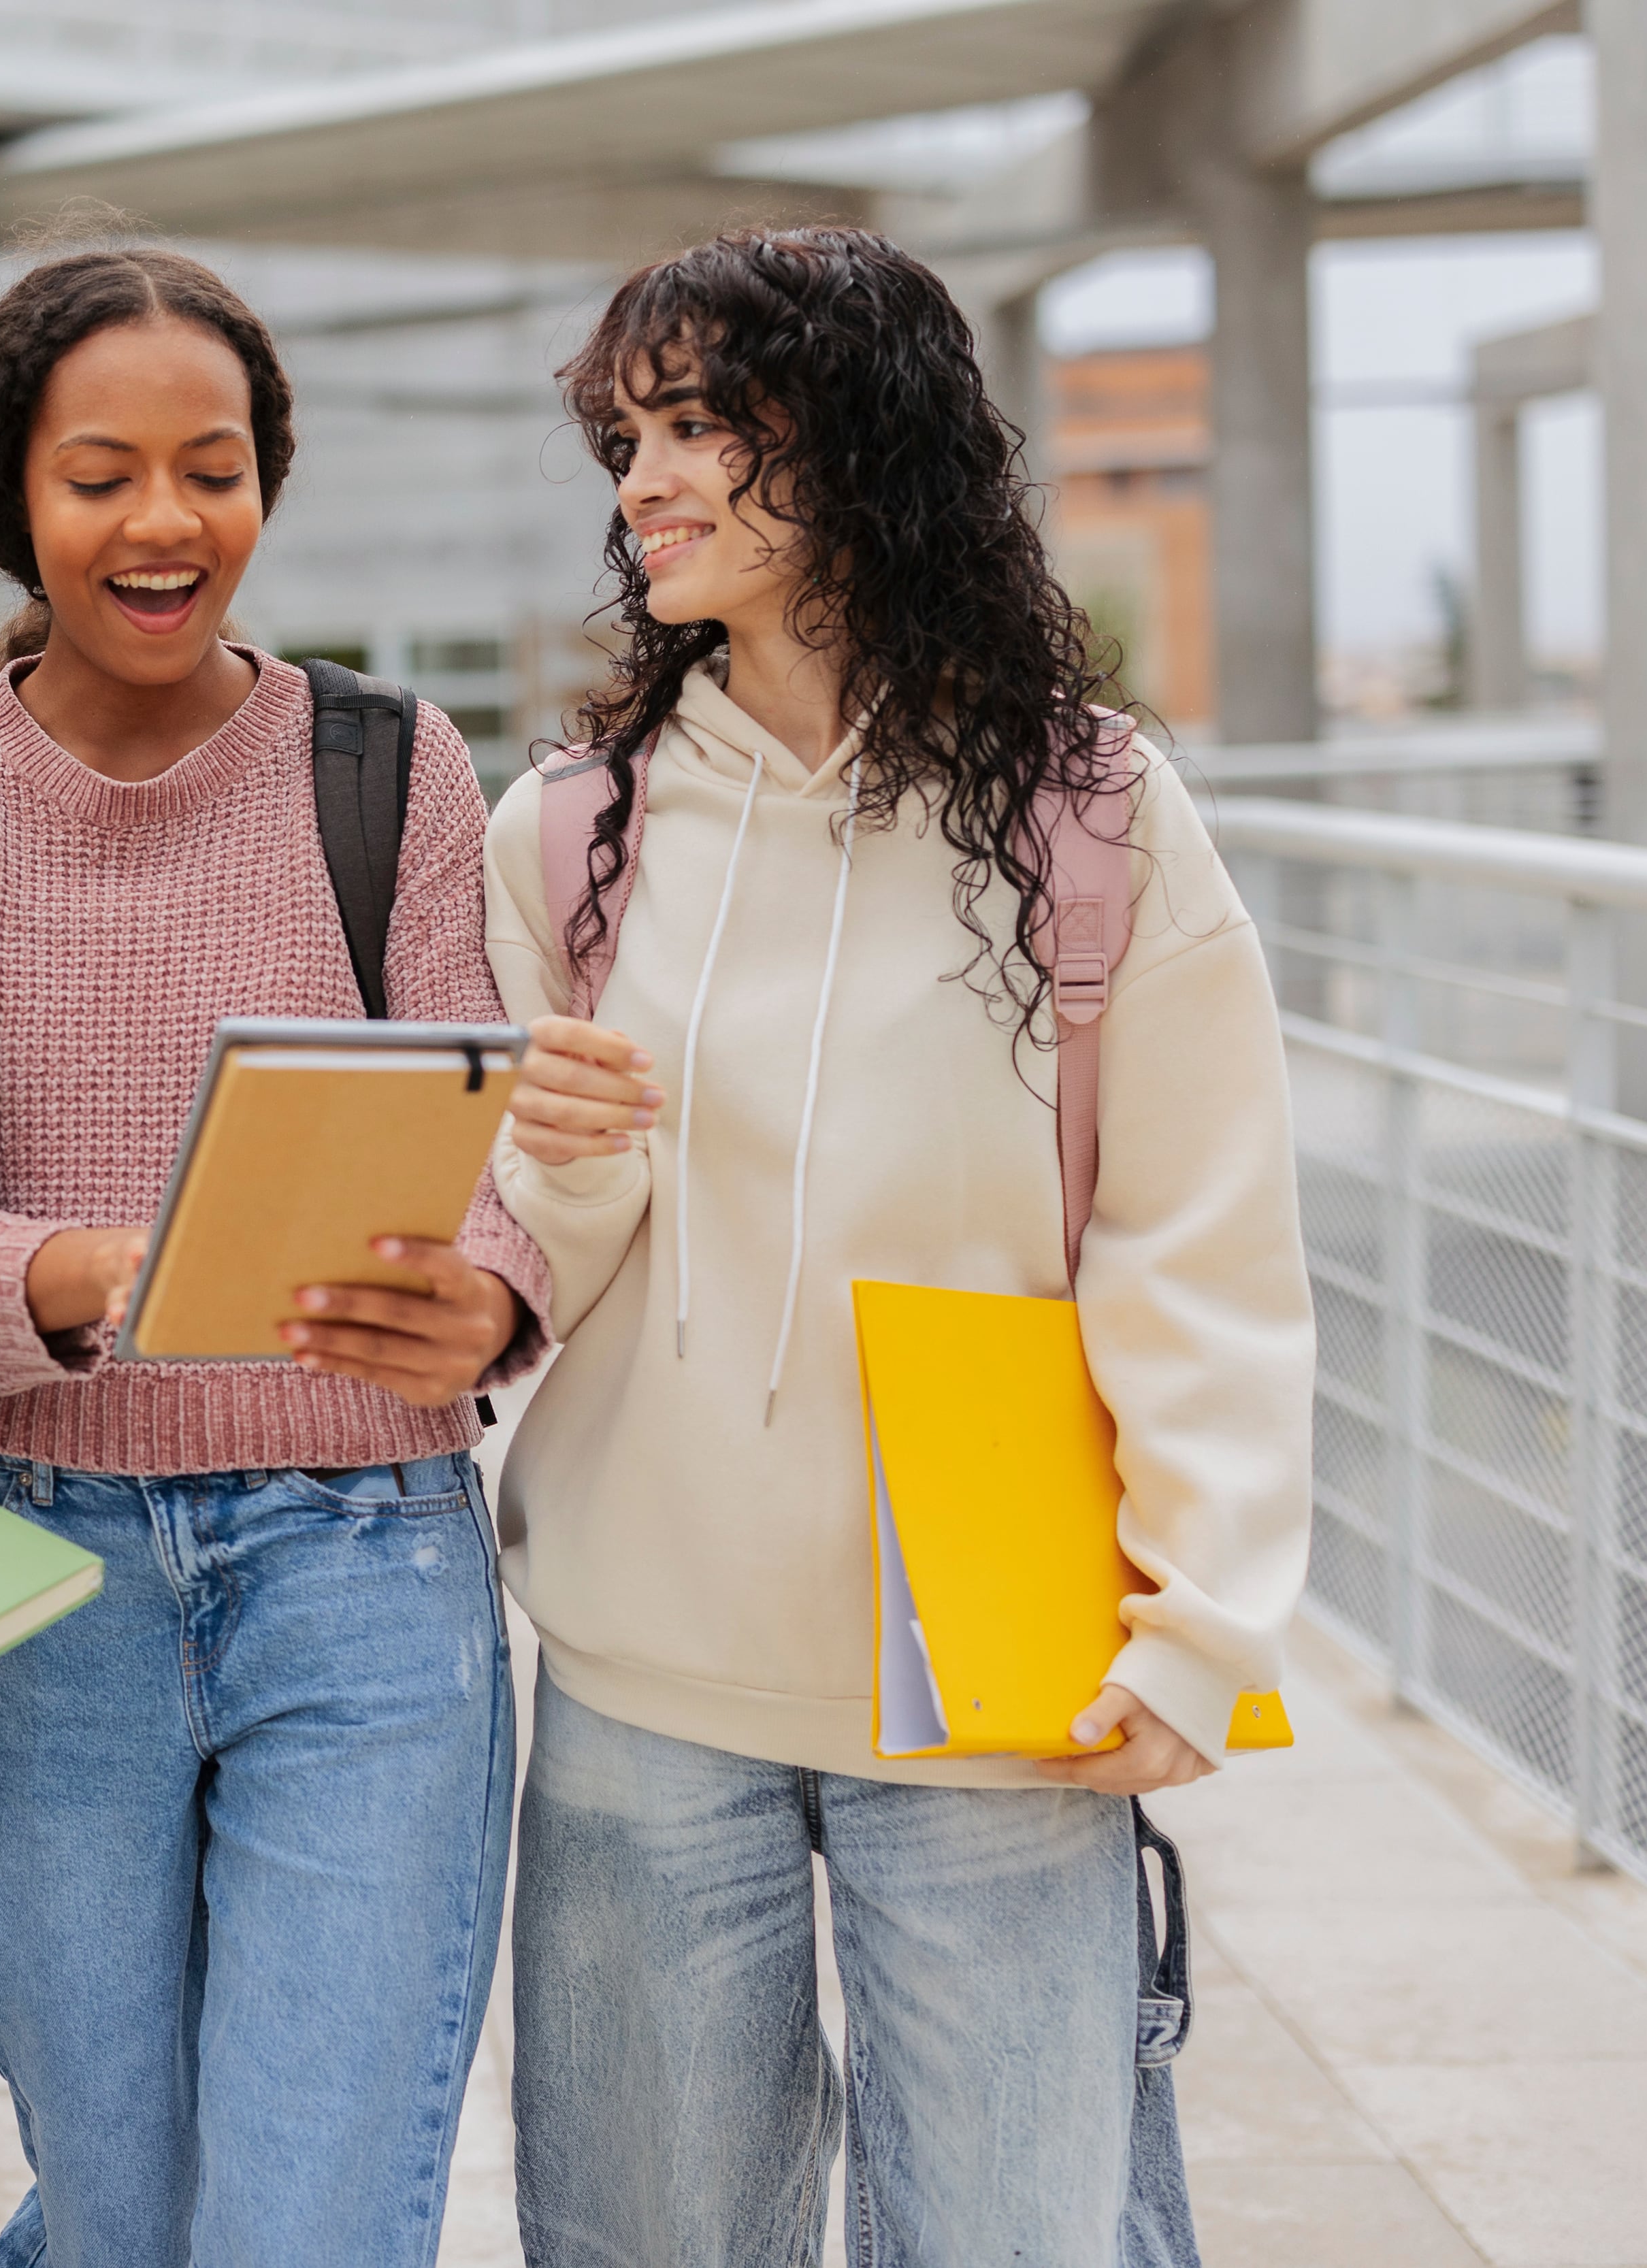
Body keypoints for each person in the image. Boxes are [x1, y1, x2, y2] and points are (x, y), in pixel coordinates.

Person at [484, 227, 1314, 2266]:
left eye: (699, 427)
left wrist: (1201, 1621)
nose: (642, 482)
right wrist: (566, 1174)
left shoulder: (1092, 814)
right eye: (627, 437)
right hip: (643, 1680)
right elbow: (528, 1262)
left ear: (859, 441)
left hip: (995, 1690)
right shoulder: (567, 832)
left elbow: (1200, 1234)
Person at [0, 244, 550, 2268]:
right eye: (102, 476)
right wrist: (81, 1277)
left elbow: (483, 1114)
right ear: (15, 501)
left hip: (364, 1563)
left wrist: (490, 1292)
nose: (165, 523)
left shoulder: (387, 766)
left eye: (213, 467)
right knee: (121, 2215)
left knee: (306, 2224)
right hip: (41, 1566)